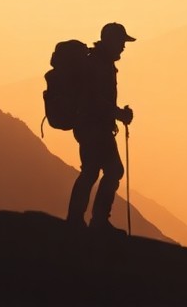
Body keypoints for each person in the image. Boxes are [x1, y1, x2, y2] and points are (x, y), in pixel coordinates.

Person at [66, 21, 135, 233]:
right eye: (121, 42)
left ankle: (80, 220)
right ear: (111, 41)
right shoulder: (99, 64)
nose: (123, 46)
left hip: (92, 126)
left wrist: (115, 114)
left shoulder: (98, 62)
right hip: (94, 127)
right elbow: (96, 100)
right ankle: (94, 222)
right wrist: (119, 114)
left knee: (94, 171)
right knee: (108, 170)